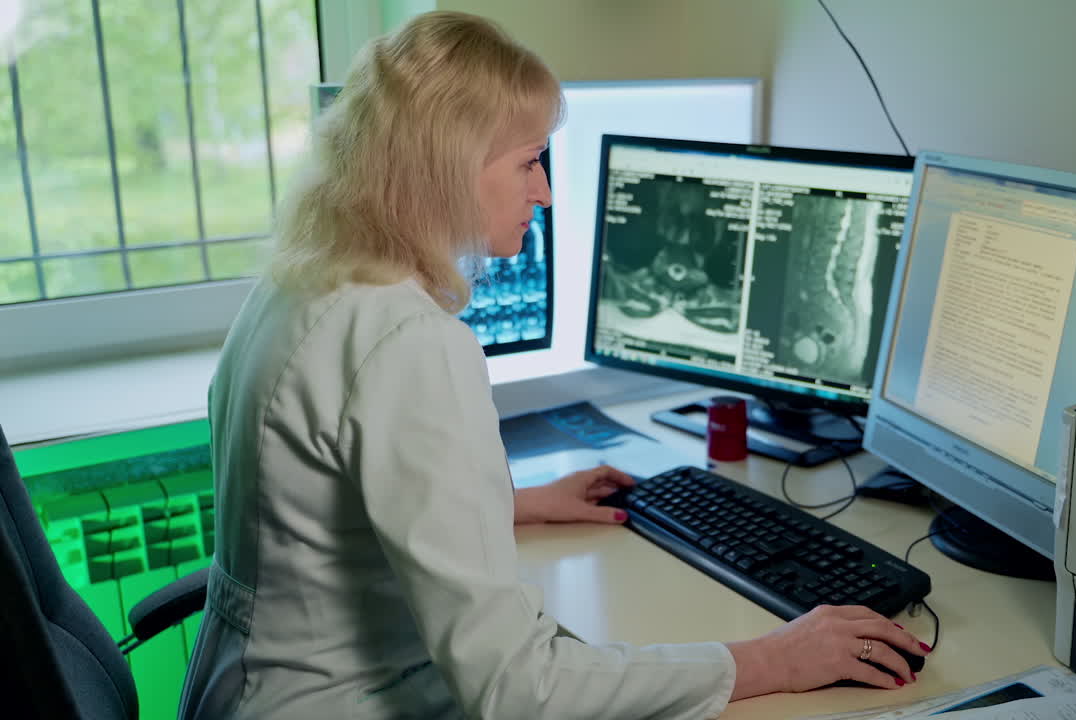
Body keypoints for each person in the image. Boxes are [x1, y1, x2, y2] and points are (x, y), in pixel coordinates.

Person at [178, 11, 929, 720]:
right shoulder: (408, 341)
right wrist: (770, 660)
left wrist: (512, 503)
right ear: (447, 166)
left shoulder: (306, 278)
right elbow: (519, 691)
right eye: (529, 161)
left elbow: (322, 514)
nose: (542, 191)